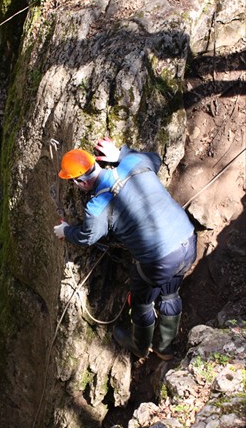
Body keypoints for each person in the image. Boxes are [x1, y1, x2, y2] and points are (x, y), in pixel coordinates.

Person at [53, 138, 196, 360]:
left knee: (142, 302)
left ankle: (140, 347)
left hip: (158, 260)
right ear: (96, 162)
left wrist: (66, 231)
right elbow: (155, 159)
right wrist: (121, 154)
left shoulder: (98, 205)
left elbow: (88, 236)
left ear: (80, 183)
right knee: (170, 293)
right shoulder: (133, 162)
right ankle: (165, 348)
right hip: (187, 239)